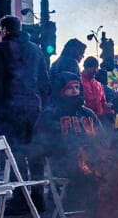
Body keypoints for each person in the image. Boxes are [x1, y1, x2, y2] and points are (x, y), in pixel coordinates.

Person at [0, 15, 50, 213]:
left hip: (12, 109)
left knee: (15, 154)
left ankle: (21, 199)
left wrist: (0, 110)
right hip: (34, 108)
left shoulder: (0, 49)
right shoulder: (36, 50)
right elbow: (44, 83)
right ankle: (38, 198)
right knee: (35, 153)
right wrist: (42, 107)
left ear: (5, 29)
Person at [31, 72, 101, 209]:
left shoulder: (88, 113)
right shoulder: (50, 114)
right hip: (64, 164)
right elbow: (41, 145)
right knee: (93, 176)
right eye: (70, 88)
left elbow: (101, 137)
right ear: (61, 90)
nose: (75, 91)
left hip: (92, 160)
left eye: (77, 87)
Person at [79, 57, 111, 121]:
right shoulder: (78, 82)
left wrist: (109, 111)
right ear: (85, 67)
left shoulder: (99, 85)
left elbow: (103, 102)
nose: (95, 71)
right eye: (93, 68)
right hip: (85, 120)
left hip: (100, 120)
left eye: (96, 68)